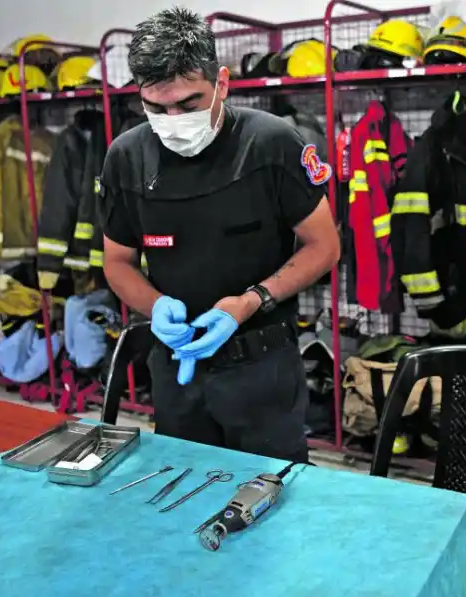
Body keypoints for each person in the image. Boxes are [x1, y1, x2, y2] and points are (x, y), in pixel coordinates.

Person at [98, 7, 340, 462]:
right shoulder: (125, 158)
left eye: (189, 104)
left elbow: (324, 246)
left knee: (273, 498)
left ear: (222, 84)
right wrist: (155, 306)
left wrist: (250, 302)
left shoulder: (271, 143)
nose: (173, 119)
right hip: (177, 367)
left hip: (262, 368)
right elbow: (117, 261)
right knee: (181, 491)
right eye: (156, 107)